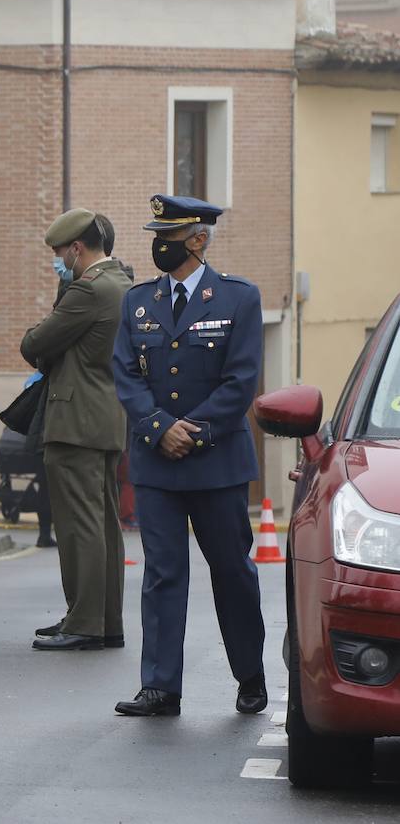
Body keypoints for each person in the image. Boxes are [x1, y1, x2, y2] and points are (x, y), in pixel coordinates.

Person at [112, 195, 267, 717]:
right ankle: (160, 686)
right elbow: (126, 376)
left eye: (170, 236)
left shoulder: (239, 299)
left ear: (198, 240)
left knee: (231, 571)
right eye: (156, 234)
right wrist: (160, 429)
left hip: (216, 462)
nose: (159, 245)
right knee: (162, 573)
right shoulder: (137, 301)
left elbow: (240, 380)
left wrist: (193, 432)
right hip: (157, 461)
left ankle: (250, 674)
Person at [22, 208, 132, 652]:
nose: (58, 262)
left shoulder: (87, 291)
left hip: (75, 419)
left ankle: (85, 622)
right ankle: (103, 620)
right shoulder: (123, 284)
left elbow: (36, 344)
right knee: (103, 524)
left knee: (79, 526)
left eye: (59, 254)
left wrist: (61, 296)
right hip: (104, 417)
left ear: (76, 248)